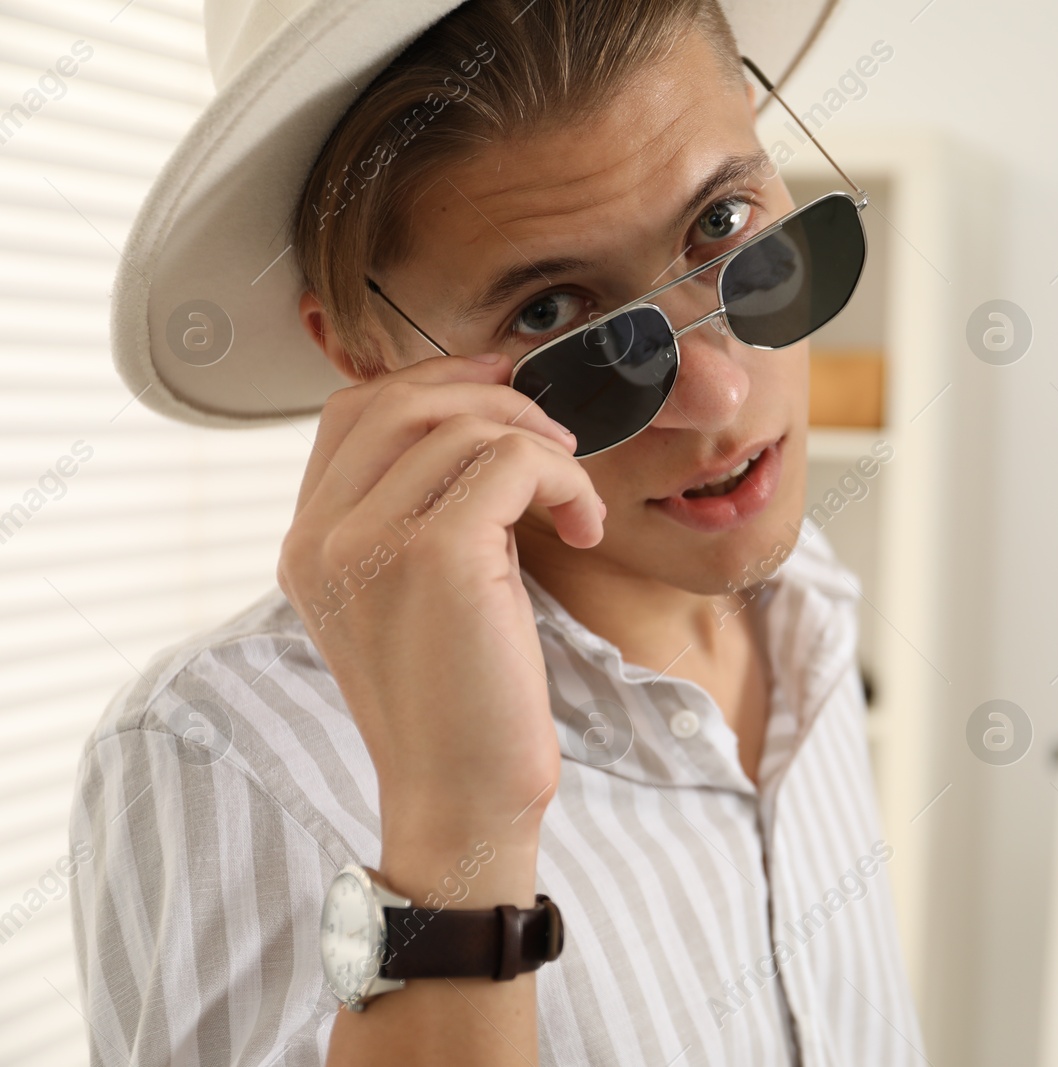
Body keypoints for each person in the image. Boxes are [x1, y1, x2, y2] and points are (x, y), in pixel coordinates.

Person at [69, 1, 922, 1064]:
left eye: (719, 226)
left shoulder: (807, 606)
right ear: (368, 360)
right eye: (553, 313)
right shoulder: (226, 757)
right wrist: (456, 828)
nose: (719, 391)